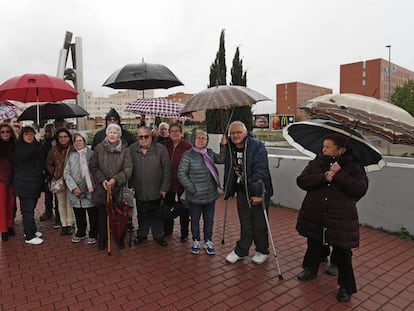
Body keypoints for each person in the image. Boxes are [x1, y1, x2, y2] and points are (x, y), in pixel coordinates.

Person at [295, 133, 368, 303]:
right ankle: (310, 268)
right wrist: (323, 177)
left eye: (327, 147)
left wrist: (340, 174)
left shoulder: (354, 166)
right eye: (323, 145)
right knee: (313, 241)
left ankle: (346, 286)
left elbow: (359, 189)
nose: (323, 149)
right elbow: (302, 181)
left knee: (342, 251)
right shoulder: (317, 162)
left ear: (340, 149)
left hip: (339, 216)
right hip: (315, 212)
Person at [223, 121, 274, 265]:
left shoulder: (257, 146)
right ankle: (242, 250)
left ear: (246, 132)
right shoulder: (230, 148)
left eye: (238, 132)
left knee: (259, 223)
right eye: (232, 133)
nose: (235, 135)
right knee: (245, 223)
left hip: (258, 190)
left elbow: (261, 170)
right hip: (241, 191)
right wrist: (228, 189)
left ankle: (262, 250)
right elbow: (228, 169)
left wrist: (258, 194)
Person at [177, 130, 225, 255]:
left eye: (203, 138)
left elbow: (223, 159)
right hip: (195, 196)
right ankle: (196, 240)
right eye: (198, 138)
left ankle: (208, 240)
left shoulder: (210, 153)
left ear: (207, 141)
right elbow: (181, 173)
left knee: (209, 220)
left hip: (210, 195)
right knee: (195, 220)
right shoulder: (187, 155)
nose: (200, 140)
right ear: (193, 139)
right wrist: (192, 189)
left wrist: (223, 145)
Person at [89, 123, 133, 250]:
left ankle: (119, 238)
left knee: (120, 216)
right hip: (103, 188)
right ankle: (103, 239)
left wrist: (115, 179)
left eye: (115, 132)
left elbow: (128, 168)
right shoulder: (99, 148)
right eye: (110, 132)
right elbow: (93, 166)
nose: (112, 134)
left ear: (119, 135)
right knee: (102, 216)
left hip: (119, 189)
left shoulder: (125, 150)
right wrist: (102, 180)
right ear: (106, 134)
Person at [129, 126, 172, 247]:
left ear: (151, 137)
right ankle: (142, 234)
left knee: (156, 215)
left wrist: (164, 188)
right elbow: (127, 168)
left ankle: (158, 235)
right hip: (139, 190)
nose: (143, 139)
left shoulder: (160, 149)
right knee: (142, 214)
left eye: (146, 136)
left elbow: (167, 170)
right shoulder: (131, 149)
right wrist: (130, 186)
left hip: (156, 190)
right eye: (140, 137)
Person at [13, 126, 46, 245]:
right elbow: (26, 155)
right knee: (27, 211)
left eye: (31, 134)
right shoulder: (19, 147)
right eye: (26, 134)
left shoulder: (35, 146)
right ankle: (29, 236)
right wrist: (36, 143)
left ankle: (31, 230)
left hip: (33, 183)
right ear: (22, 135)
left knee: (30, 209)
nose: (29, 136)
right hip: (24, 183)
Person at [64, 133, 97, 245]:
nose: (78, 143)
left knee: (92, 212)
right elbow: (66, 173)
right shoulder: (71, 156)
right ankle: (81, 232)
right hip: (76, 190)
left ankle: (93, 233)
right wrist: (73, 188)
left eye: (80, 140)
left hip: (90, 188)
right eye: (76, 141)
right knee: (78, 212)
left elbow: (96, 170)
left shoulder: (92, 154)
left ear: (84, 141)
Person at [160, 123, 192, 242]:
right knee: (167, 208)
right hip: (168, 183)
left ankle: (184, 233)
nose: (174, 133)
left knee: (184, 209)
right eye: (171, 131)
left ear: (181, 132)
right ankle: (167, 230)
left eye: (176, 131)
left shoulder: (188, 146)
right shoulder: (164, 145)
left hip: (183, 183)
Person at [46, 128, 74, 236]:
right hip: (58, 180)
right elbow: (48, 163)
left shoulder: (72, 149)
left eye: (65, 136)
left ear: (69, 137)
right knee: (61, 203)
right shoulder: (53, 150)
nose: (63, 139)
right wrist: (54, 173)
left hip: (71, 179)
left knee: (69, 203)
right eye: (60, 137)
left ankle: (70, 223)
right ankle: (64, 224)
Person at [0, 123, 16, 241]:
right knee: (2, 205)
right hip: (1, 180)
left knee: (11, 204)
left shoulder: (15, 145)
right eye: (2, 132)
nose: (5, 134)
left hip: (13, 179)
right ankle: (3, 229)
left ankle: (10, 225)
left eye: (7, 131)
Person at [39, 123, 57, 222]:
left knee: (58, 194)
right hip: (46, 171)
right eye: (46, 131)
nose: (48, 133)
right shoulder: (43, 142)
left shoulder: (57, 141)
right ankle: (48, 211)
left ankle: (58, 212)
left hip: (57, 171)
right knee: (48, 193)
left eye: (50, 131)